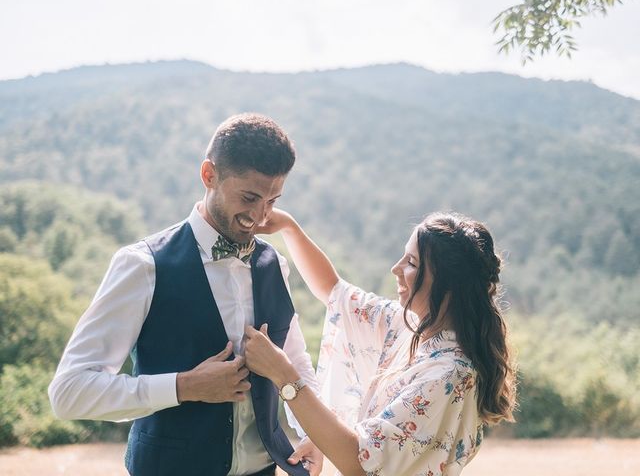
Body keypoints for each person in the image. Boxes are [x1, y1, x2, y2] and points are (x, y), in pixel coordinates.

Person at [49, 113, 322, 476]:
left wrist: (313, 433)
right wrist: (182, 387)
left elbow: (295, 360)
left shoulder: (275, 265)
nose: (260, 217)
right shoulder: (142, 265)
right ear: (209, 175)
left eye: (272, 200)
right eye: (249, 197)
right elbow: (69, 393)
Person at [244, 209, 517, 476]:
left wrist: (283, 375)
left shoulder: (449, 375)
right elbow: (335, 292)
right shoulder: (408, 327)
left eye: (412, 263)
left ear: (448, 285)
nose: (395, 268)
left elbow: (360, 462)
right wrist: (289, 228)